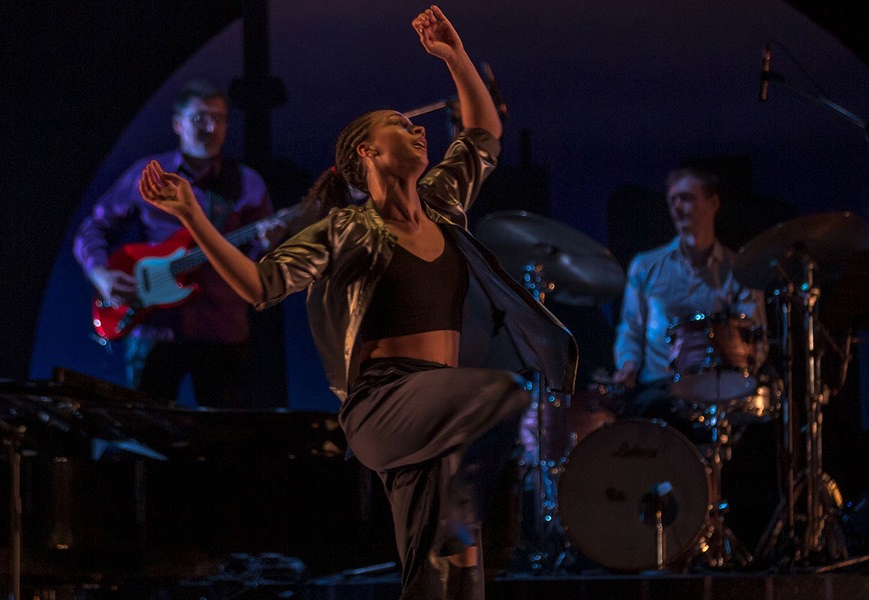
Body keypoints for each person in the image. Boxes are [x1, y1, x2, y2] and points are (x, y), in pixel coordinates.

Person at [138, 6, 577, 599]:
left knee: (440, 574)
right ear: (367, 153)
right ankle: (461, 510)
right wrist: (192, 215)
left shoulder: (443, 205)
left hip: (439, 408)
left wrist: (454, 55)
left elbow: (483, 134)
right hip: (385, 403)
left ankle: (457, 522)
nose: (421, 131)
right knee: (500, 392)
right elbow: (259, 286)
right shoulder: (343, 230)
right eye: (402, 125)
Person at [73, 79, 280, 408]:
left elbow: (261, 268)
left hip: (222, 331)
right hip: (153, 329)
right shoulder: (149, 174)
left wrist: (268, 246)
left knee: (223, 440)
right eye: (200, 118)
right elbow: (93, 228)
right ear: (177, 123)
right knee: (146, 437)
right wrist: (100, 275)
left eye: (219, 118)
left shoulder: (248, 184)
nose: (210, 127)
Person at [612, 165, 767, 420]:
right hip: (660, 390)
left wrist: (742, 374)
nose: (677, 208)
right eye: (672, 200)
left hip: (720, 389)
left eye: (687, 198)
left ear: (713, 203)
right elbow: (630, 330)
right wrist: (628, 366)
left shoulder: (740, 269)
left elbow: (755, 338)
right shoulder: (645, 266)